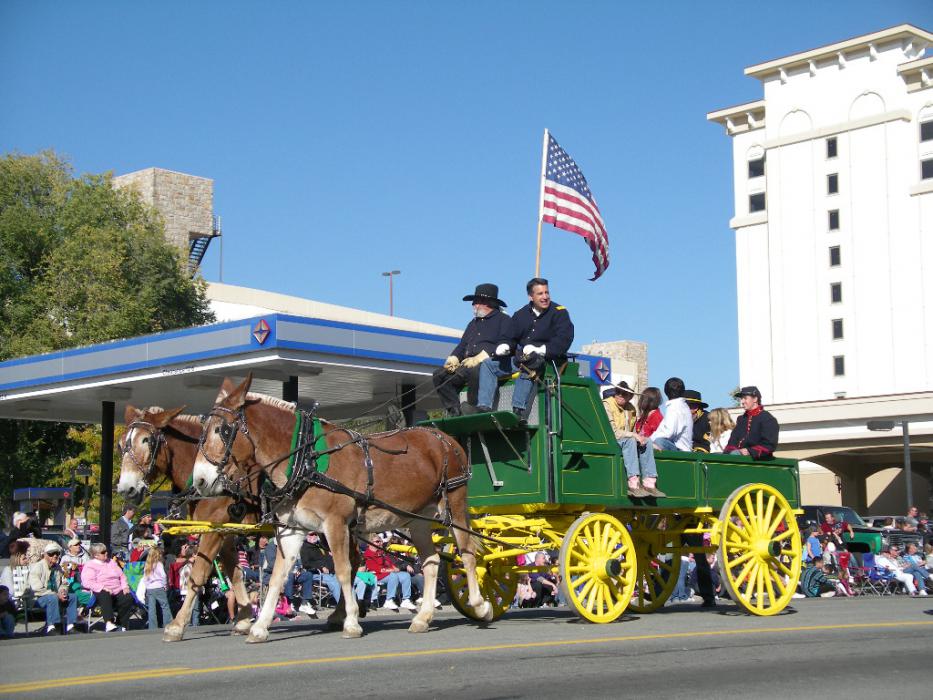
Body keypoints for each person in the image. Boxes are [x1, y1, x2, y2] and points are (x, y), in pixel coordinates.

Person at [476, 278, 574, 418]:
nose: (545, 297)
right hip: (520, 358)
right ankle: (484, 407)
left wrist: (541, 350)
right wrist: (504, 345)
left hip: (547, 362)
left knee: (531, 363)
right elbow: (510, 336)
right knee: (488, 365)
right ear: (530, 296)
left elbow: (564, 339)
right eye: (540, 294)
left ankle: (518, 410)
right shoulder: (520, 314)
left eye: (547, 292)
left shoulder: (559, 313)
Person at [433, 283, 512, 417]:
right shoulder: (472, 323)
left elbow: (507, 343)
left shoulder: (504, 320)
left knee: (478, 370)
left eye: (476, 302)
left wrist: (482, 356)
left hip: (490, 364)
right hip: (466, 365)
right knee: (439, 375)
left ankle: (474, 409)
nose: (473, 305)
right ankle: (455, 411)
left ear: (487, 302)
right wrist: (454, 358)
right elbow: (462, 345)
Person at [603, 382, 663, 498]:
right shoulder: (607, 404)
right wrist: (633, 435)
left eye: (624, 393)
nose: (620, 395)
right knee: (630, 440)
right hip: (611, 441)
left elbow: (635, 432)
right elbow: (613, 433)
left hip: (625, 440)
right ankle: (633, 484)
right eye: (618, 392)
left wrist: (649, 443)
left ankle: (649, 483)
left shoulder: (631, 409)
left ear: (630, 396)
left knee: (647, 441)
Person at [28, 542, 79, 634]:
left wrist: (63, 591)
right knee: (53, 598)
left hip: (54, 596)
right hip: (37, 598)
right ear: (45, 555)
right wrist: (56, 594)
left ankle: (71, 626)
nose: (55, 556)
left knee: (72, 597)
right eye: (51, 554)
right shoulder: (37, 567)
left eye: (57, 553)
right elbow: (37, 589)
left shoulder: (58, 567)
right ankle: (52, 626)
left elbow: (64, 583)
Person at [81, 543, 134, 631]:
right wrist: (102, 587)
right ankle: (109, 622)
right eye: (103, 552)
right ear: (96, 555)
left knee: (127, 597)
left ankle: (121, 623)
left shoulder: (111, 562)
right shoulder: (90, 565)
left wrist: (125, 587)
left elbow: (122, 576)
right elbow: (87, 582)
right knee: (104, 594)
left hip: (117, 589)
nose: (106, 553)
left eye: (106, 551)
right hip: (101, 591)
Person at [725, 386, 779, 460]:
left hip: (758, 460)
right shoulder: (741, 419)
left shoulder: (767, 419)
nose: (742, 402)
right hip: (738, 457)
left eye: (745, 398)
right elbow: (732, 441)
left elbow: (769, 445)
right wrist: (730, 451)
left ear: (755, 399)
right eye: (741, 399)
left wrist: (749, 451)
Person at [363, 538, 416, 611]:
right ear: (370, 543)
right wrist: (392, 570)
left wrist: (395, 568)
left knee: (405, 575)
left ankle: (406, 599)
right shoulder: (367, 554)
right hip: (376, 575)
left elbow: (390, 563)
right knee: (393, 576)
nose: (380, 543)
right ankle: (389, 600)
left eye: (381, 541)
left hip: (388, 573)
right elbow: (377, 569)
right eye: (377, 542)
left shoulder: (381, 552)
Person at [650, 377, 693, 452]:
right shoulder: (684, 406)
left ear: (666, 392)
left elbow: (668, 432)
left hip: (680, 451)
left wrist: (648, 441)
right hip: (684, 449)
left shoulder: (674, 407)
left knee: (658, 441)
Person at [300, 532, 341, 605]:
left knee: (347, 581)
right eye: (311, 535)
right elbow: (306, 564)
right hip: (317, 574)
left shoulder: (320, 545)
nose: (314, 536)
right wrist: (321, 568)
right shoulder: (305, 548)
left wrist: (331, 554)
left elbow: (327, 554)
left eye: (315, 534)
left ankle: (354, 604)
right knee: (334, 583)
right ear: (307, 537)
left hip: (332, 572)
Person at [141, 546, 173, 629]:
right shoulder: (159, 564)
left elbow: (145, 578)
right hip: (159, 587)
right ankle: (168, 623)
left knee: (152, 609)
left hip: (150, 588)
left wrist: (148, 586)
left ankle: (152, 626)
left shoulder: (147, 565)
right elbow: (163, 576)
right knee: (165, 606)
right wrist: (165, 585)